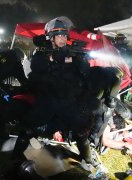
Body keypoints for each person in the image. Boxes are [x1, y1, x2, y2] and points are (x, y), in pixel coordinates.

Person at [13, 16, 95, 169]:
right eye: (60, 35)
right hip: (48, 98)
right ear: (51, 37)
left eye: (65, 35)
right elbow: (36, 67)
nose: (64, 38)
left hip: (68, 100)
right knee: (30, 129)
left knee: (81, 131)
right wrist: (52, 58)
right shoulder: (42, 52)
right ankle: (16, 156)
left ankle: (87, 158)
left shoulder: (72, 52)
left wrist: (82, 61)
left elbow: (84, 73)